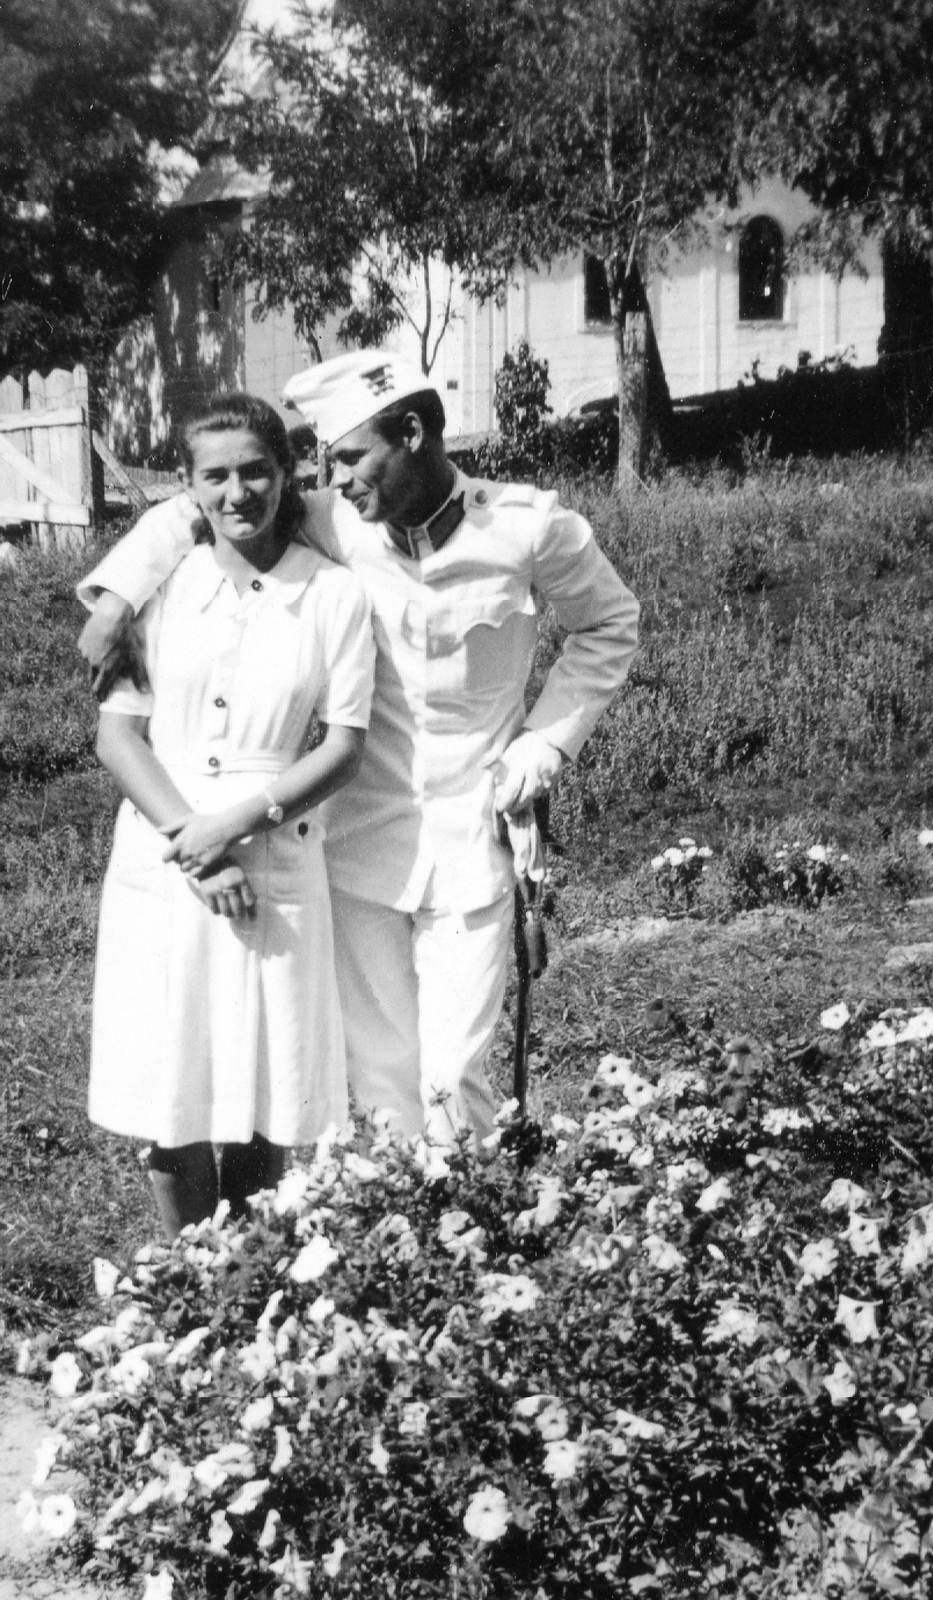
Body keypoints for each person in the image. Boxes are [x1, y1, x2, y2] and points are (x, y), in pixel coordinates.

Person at [79, 350, 639, 1146]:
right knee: (380, 1072)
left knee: (455, 1069)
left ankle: (472, 1232)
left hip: (474, 834)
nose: (333, 477)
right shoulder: (337, 519)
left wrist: (540, 749)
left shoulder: (524, 526)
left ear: (410, 433)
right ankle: (406, 1236)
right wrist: (116, 596)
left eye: (347, 456)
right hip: (358, 834)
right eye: (326, 462)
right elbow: (195, 507)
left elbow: (609, 625)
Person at [88, 392, 374, 1240]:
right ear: (187, 486)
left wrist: (238, 827)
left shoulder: (333, 596)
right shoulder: (156, 590)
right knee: (171, 1097)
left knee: (263, 1093)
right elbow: (117, 737)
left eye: (256, 470)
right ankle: (188, 1285)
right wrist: (194, 846)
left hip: (275, 856)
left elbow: (343, 746)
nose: (237, 492)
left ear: (289, 475)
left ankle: (250, 1290)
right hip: (163, 853)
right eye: (215, 475)